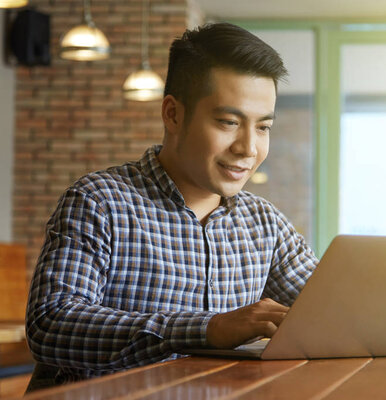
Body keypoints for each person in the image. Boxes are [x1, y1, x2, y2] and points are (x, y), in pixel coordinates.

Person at [25, 22, 318, 389]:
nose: (248, 148)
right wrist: (208, 328)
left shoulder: (264, 223)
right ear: (173, 114)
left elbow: (328, 309)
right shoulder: (98, 201)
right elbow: (51, 325)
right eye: (229, 122)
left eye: (263, 128)